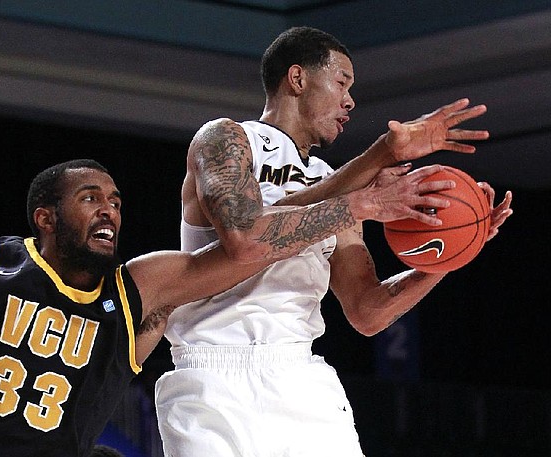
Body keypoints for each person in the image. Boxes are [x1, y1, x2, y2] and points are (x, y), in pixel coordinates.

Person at [153, 26, 514, 456]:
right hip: (213, 372)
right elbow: (246, 238)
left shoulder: (335, 182)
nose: (350, 100)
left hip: (299, 376)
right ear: (298, 78)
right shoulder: (228, 139)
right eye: (342, 82)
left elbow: (368, 311)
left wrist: (449, 255)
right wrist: (370, 180)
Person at [0, 158, 371, 457]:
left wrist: (357, 203)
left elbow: (249, 246)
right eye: (90, 198)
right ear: (45, 218)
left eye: (115, 201)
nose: (109, 210)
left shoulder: (139, 290)